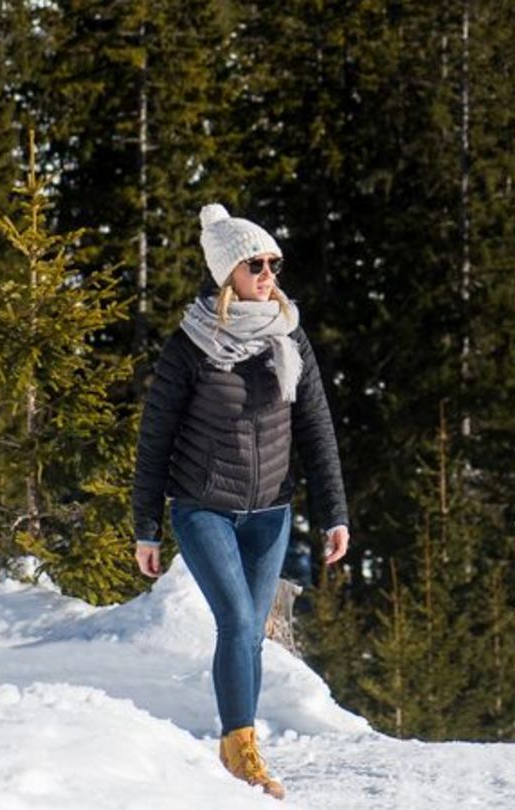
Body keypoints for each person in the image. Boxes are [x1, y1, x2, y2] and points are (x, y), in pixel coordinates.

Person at [130, 202, 351, 800]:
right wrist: (145, 526)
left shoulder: (289, 334)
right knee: (237, 620)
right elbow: (155, 439)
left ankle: (242, 745)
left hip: (272, 512)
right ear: (228, 270)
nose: (269, 274)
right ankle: (240, 751)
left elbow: (316, 428)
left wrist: (334, 513)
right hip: (203, 508)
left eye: (273, 262)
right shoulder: (190, 346)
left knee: (253, 633)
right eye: (256, 263)